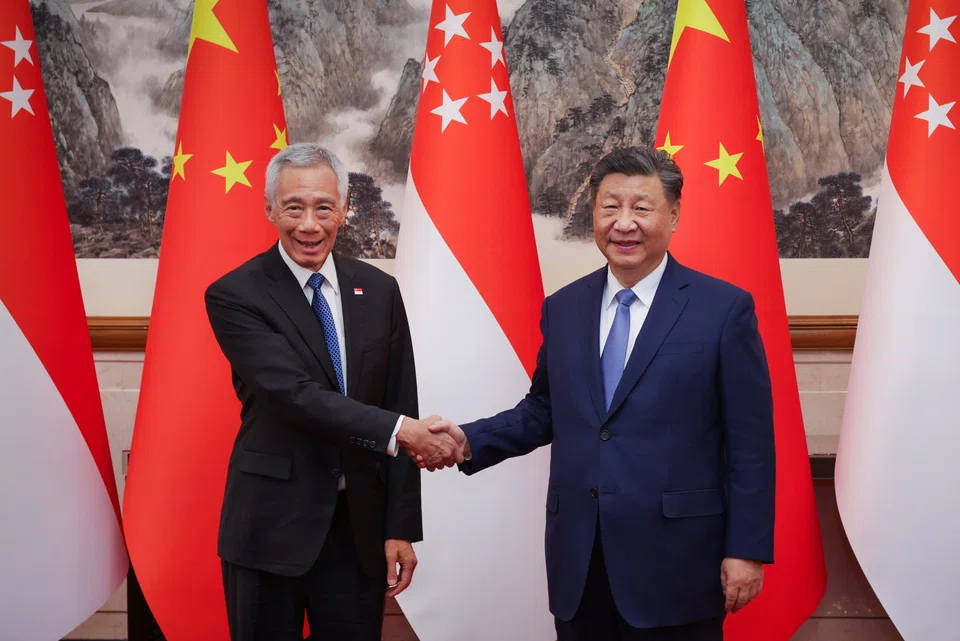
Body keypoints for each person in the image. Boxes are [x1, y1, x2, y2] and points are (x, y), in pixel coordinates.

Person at [424, 146, 776, 641]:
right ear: (593, 213)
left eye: (641, 208)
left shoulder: (723, 309)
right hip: (580, 560)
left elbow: (751, 443)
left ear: (674, 214)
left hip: (678, 563)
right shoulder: (564, 308)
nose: (624, 223)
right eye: (610, 207)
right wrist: (468, 439)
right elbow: (544, 409)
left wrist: (746, 549)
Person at [204, 142, 461, 641]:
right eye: (293, 207)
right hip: (270, 529)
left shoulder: (379, 290)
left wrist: (400, 526)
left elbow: (398, 399)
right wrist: (403, 431)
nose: (309, 224)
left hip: (357, 533)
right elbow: (294, 395)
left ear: (345, 209)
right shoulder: (236, 294)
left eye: (324, 207)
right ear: (270, 209)